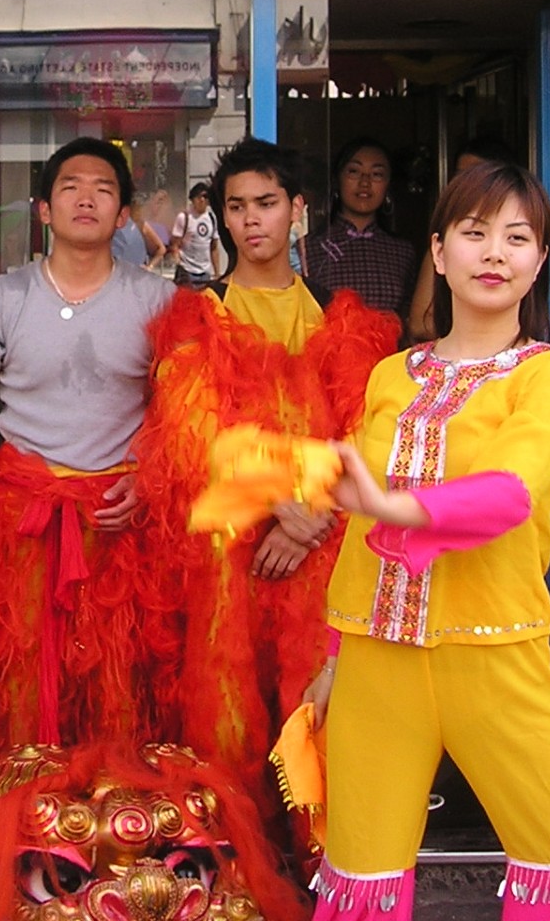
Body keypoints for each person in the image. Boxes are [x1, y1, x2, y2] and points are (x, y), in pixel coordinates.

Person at [307, 159, 550, 921]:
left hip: (495, 653)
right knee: (360, 877)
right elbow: (357, 525)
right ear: (438, 253)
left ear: (538, 263)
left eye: (517, 237)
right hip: (374, 660)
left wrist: (396, 509)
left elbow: (512, 491)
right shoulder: (391, 375)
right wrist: (334, 660)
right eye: (474, 233)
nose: (494, 252)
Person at [138, 138, 398, 859]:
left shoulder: (345, 321)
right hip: (229, 554)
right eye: (236, 207)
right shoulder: (200, 314)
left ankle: (334, 874)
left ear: (298, 210)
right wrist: (282, 506)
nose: (252, 221)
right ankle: (240, 876)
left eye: (267, 204)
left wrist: (312, 519)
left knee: (323, 716)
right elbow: (190, 439)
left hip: (324, 556)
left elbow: (369, 441)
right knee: (229, 720)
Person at [0, 137, 173, 758]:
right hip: (21, 520)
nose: (85, 198)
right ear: (43, 209)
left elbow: (179, 415)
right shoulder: (3, 298)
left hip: (118, 522)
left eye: (103, 188)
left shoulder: (160, 301)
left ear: (124, 215)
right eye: (69, 187)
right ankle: (27, 841)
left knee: (117, 691)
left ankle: (111, 837)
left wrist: (147, 478)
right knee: (17, 691)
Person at [406, 134, 519, 343]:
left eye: (516, 237)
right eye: (462, 176)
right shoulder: (447, 242)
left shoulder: (547, 367)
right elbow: (420, 324)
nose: (494, 254)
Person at [306, 137, 418, 318]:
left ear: (388, 185)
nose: (365, 182)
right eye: (354, 171)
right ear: (337, 180)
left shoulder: (402, 252)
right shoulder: (310, 248)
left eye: (377, 174)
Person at [172, 181, 221, 288]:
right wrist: (178, 263)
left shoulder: (212, 219)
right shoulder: (184, 217)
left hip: (205, 272)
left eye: (205, 196)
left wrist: (217, 273)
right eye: (199, 196)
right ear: (193, 199)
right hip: (187, 270)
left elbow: (214, 247)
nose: (202, 200)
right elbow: (175, 244)